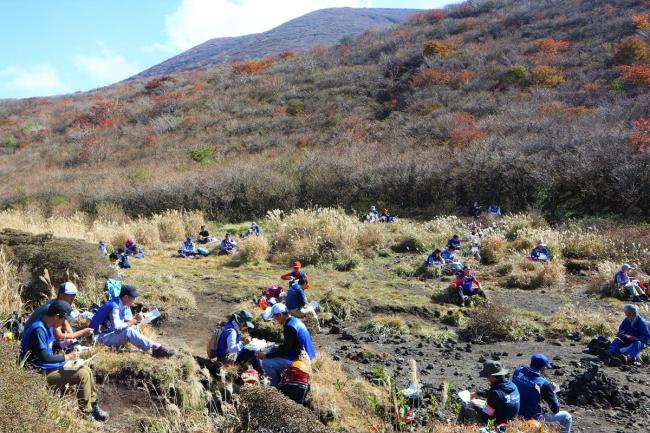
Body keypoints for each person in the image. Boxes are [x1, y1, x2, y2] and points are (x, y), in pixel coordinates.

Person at [20, 300, 108, 421]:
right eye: (63, 320)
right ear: (56, 316)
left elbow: (46, 347)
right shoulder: (38, 330)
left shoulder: (47, 325)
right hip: (37, 373)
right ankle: (86, 413)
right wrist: (67, 357)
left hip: (47, 367)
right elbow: (44, 356)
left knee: (86, 369)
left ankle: (93, 405)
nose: (63, 324)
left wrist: (61, 344)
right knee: (82, 374)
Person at [89, 285, 175, 358]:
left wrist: (134, 320)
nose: (134, 300)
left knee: (134, 326)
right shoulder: (114, 306)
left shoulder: (119, 303)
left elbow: (120, 321)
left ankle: (151, 347)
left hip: (107, 332)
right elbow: (117, 327)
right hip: (99, 338)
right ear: (126, 297)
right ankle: (156, 347)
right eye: (133, 298)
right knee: (128, 331)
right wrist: (133, 321)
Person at [256, 303, 316, 388]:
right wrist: (277, 347)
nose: (274, 320)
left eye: (274, 317)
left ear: (280, 315)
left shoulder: (289, 327)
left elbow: (286, 351)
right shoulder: (294, 320)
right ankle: (281, 378)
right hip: (308, 355)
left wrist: (266, 355)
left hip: (301, 361)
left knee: (266, 362)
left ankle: (275, 387)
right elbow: (291, 344)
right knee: (272, 350)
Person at [513, 354, 572, 433]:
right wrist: (552, 391)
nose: (546, 368)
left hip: (513, 414)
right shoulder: (543, 383)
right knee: (566, 417)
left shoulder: (518, 371)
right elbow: (555, 409)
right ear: (542, 367)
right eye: (545, 367)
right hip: (531, 420)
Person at [25, 282, 94, 345]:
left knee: (71, 334)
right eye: (70, 298)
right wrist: (82, 333)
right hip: (31, 340)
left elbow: (65, 323)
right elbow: (59, 336)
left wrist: (73, 337)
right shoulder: (54, 308)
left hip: (38, 335)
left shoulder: (58, 304)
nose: (72, 301)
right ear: (61, 295)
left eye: (73, 298)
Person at [458, 360, 520, 430]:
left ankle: (458, 428)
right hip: (511, 420)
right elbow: (499, 395)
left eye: (487, 376)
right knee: (481, 404)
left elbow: (486, 416)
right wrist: (478, 393)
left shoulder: (495, 392)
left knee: (465, 406)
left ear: (493, 376)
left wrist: (474, 406)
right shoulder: (512, 385)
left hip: (499, 426)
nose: (486, 379)